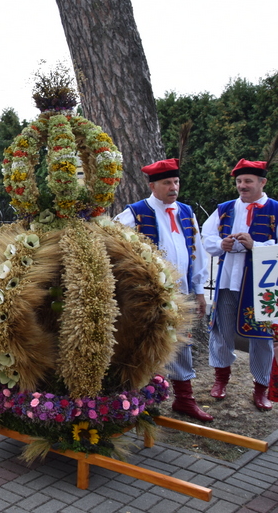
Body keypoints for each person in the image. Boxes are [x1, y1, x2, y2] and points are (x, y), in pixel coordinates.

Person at [115, 158, 212, 421]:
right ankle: (141, 399)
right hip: (149, 296)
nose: (174, 187)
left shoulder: (186, 212)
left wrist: (199, 291)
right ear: (153, 186)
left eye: (176, 182)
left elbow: (197, 253)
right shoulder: (135, 213)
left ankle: (184, 399)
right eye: (167, 182)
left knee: (182, 343)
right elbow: (114, 245)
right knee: (146, 344)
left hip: (182, 292)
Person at [201, 158, 276, 411]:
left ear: (262, 182)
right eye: (239, 181)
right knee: (221, 331)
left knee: (262, 337)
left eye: (248, 181)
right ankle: (221, 379)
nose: (242, 186)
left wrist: (256, 245)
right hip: (227, 281)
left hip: (261, 286)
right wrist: (220, 244)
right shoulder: (225, 209)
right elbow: (207, 236)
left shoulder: (275, 210)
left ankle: (261, 388)